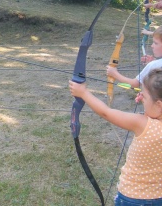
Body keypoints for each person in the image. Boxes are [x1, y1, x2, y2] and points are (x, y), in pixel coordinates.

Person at [69, 68, 162, 205]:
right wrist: (149, 105)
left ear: (159, 104)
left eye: (145, 97)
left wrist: (83, 93)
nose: (141, 98)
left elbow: (106, 112)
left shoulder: (142, 124)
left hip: (132, 198)